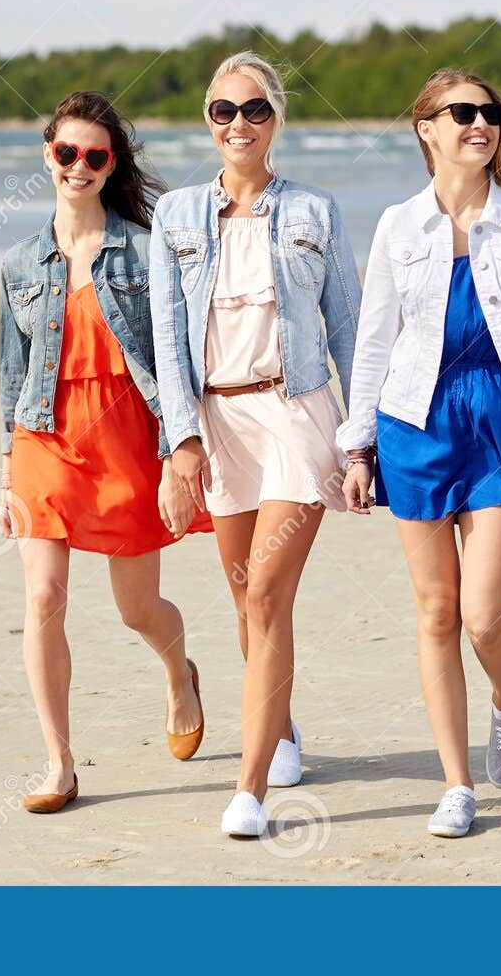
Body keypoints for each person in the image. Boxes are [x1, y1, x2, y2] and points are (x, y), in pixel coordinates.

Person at [339, 68, 501, 838]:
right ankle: (456, 783)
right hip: (411, 422)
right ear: (427, 128)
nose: (480, 123)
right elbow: (374, 337)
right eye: (463, 112)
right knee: (437, 611)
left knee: (485, 615)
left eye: (491, 113)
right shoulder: (396, 225)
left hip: (499, 417)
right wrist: (356, 446)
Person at [152, 52, 361, 838]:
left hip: (295, 412)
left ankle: (249, 792)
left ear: (276, 119)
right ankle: (282, 727)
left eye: (254, 109)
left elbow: (349, 325)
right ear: (207, 122)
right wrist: (182, 442)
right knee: (243, 597)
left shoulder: (315, 210)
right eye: (221, 110)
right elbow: (169, 340)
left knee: (269, 594)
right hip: (218, 426)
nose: (237, 123)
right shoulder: (174, 218)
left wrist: (360, 435)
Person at [0, 91, 212, 815]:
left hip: (126, 440)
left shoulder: (147, 253)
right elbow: (10, 375)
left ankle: (179, 671)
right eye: (66, 153)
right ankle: (59, 762)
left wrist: (179, 451)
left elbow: (177, 358)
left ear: (110, 162)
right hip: (45, 439)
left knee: (135, 607)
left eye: (94, 155)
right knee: (43, 595)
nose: (78, 166)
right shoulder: (20, 263)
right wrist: (6, 470)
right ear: (48, 157)